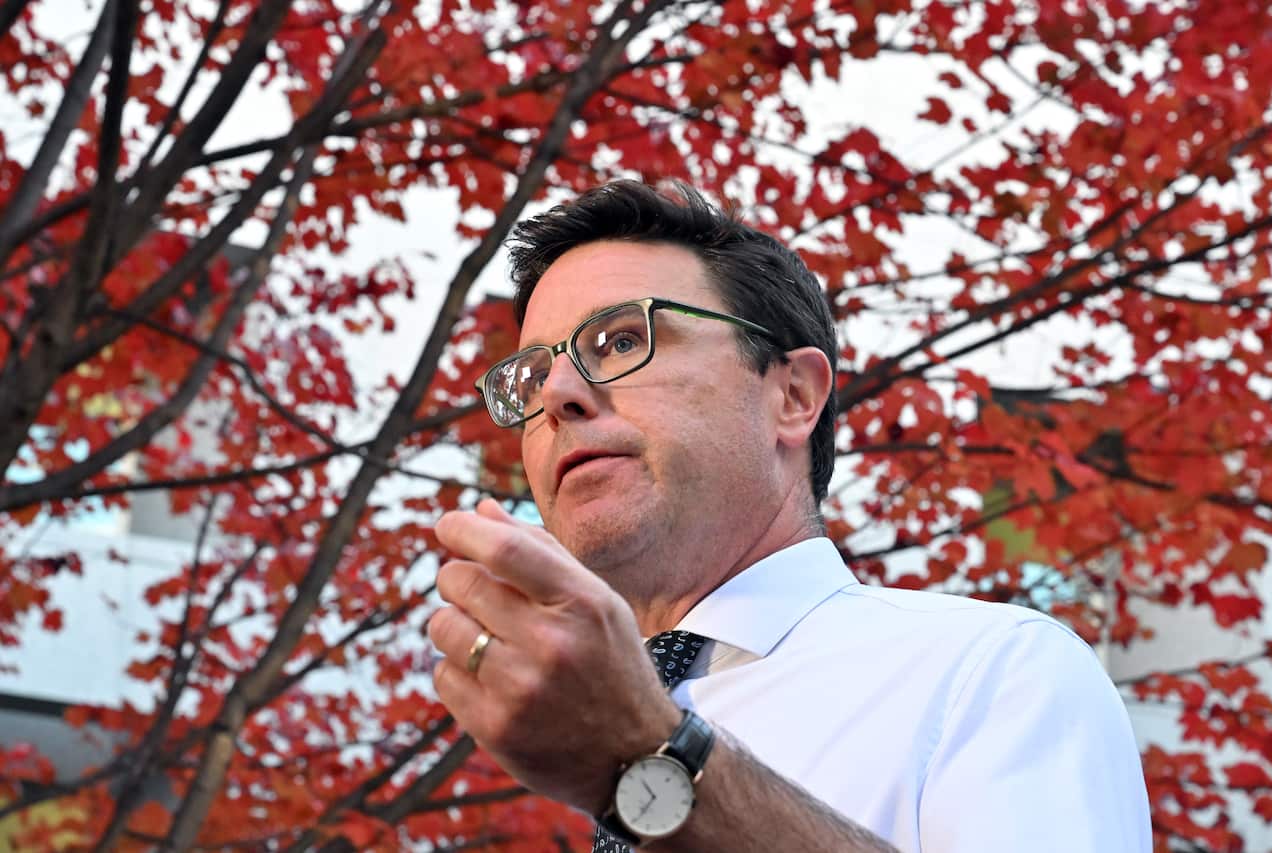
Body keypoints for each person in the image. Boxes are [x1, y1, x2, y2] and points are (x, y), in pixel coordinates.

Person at [427, 180, 1152, 852]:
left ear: (795, 395)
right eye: (530, 376)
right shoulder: (529, 737)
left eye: (620, 340)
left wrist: (649, 755)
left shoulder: (993, 672)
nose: (557, 395)